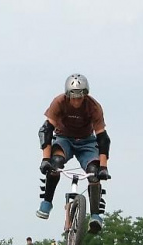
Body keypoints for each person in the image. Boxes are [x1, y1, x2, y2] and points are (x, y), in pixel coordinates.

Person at [36, 73, 111, 234]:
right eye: (73, 97)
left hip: (87, 141)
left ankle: (96, 215)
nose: (76, 101)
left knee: (93, 172)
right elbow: (46, 130)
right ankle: (47, 202)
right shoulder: (59, 102)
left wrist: (103, 167)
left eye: (80, 97)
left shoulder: (93, 107)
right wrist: (45, 159)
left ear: (85, 95)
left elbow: (103, 138)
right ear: (68, 95)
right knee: (55, 164)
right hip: (64, 138)